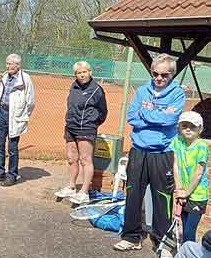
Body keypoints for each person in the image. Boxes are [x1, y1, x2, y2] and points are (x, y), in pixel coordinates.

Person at [113, 54, 186, 258]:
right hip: (138, 151)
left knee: (161, 199)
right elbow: (131, 116)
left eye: (164, 74)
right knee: (133, 195)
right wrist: (156, 117)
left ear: (171, 75)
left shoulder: (177, 94)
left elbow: (170, 119)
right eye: (155, 73)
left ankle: (162, 242)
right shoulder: (143, 91)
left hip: (162, 153)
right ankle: (131, 237)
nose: (159, 78)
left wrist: (145, 115)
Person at [54, 61, 108, 204]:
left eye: (84, 72)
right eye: (78, 73)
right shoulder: (74, 86)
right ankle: (71, 186)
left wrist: (92, 123)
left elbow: (103, 112)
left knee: (85, 160)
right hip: (71, 126)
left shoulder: (97, 90)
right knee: (71, 158)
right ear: (75, 75)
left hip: (86, 128)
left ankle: (84, 191)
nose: (82, 75)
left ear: (90, 72)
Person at [0, 54, 35, 187]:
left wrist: (22, 115)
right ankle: (0, 172)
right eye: (6, 64)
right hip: (1, 113)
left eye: (10, 64)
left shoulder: (25, 79)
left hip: (14, 116)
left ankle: (12, 175)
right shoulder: (5, 77)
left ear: (18, 65)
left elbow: (30, 101)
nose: (7, 66)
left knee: (12, 148)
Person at [171, 111, 209, 243]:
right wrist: (179, 189)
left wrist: (186, 193)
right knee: (184, 227)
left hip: (197, 196)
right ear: (179, 127)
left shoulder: (202, 146)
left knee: (188, 232)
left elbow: (198, 173)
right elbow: (175, 166)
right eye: (184, 125)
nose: (188, 129)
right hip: (183, 193)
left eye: (193, 126)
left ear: (200, 129)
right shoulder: (177, 141)